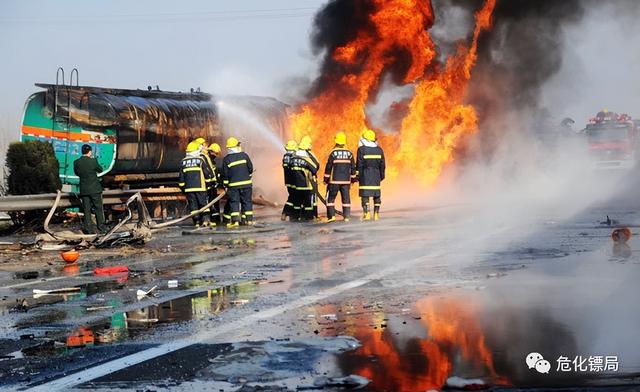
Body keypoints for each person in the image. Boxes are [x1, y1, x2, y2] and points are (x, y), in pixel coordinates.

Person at [73, 144, 107, 234]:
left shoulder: (76, 162)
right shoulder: (93, 161)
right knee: (98, 208)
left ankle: (88, 229)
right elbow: (100, 169)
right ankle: (101, 228)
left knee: (86, 210)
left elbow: (77, 173)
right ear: (90, 151)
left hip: (84, 189)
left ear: (82, 151)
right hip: (95, 189)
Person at [178, 141, 213, 228]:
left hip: (189, 189)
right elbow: (206, 173)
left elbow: (181, 178)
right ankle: (206, 220)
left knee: (193, 206)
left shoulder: (183, 162)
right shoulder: (200, 160)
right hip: (200, 187)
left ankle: (196, 222)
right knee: (203, 204)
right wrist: (209, 184)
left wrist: (183, 188)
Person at [222, 137, 254, 227]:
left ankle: (235, 221)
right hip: (246, 185)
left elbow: (225, 174)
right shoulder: (244, 155)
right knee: (247, 202)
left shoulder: (226, 159)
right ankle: (248, 220)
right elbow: (250, 169)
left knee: (234, 202)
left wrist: (225, 185)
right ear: (236, 146)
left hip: (233, 187)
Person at [323, 131, 355, 222]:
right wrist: (353, 179)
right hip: (346, 182)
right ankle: (347, 217)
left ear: (336, 141)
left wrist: (326, 179)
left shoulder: (333, 153)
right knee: (346, 199)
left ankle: (331, 216)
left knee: (330, 199)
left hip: (334, 181)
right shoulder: (349, 153)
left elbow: (329, 166)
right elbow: (353, 167)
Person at [356, 129, 385, 221]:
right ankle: (376, 214)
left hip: (365, 175)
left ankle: (367, 213)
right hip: (376, 176)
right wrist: (381, 176)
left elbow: (359, 164)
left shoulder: (361, 149)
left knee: (365, 196)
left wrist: (358, 176)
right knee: (377, 196)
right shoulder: (379, 150)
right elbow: (382, 165)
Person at [290, 138, 318, 221]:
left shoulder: (293, 158)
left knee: (297, 202)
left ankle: (296, 217)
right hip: (306, 185)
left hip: (296, 185)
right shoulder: (306, 158)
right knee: (308, 202)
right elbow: (315, 168)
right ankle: (309, 217)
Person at [298, 136, 319, 219]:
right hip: (309, 182)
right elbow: (315, 167)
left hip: (299, 183)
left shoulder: (296, 154)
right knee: (311, 200)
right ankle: (311, 215)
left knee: (302, 199)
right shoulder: (308, 155)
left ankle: (302, 215)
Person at [203, 143, 222, 225]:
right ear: (210, 151)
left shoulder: (212, 160)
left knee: (215, 203)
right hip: (209, 185)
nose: (216, 155)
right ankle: (212, 219)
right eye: (215, 153)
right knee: (210, 202)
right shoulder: (207, 160)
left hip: (213, 185)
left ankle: (216, 219)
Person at [281, 140, 298, 221]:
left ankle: (291, 215)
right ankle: (285, 213)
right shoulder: (292, 157)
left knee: (292, 196)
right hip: (293, 181)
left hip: (288, 181)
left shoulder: (285, 156)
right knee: (293, 197)